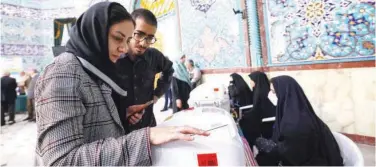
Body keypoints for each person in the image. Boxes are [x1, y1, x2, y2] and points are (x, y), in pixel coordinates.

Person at [34, 2, 208, 166]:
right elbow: (62, 161)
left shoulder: (97, 70)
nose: (124, 48)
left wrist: (123, 115)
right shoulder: (62, 72)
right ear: (94, 33)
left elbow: (92, 121)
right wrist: (146, 137)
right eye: (118, 38)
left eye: (126, 40)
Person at [255, 75, 343, 166]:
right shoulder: (291, 112)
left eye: (273, 92)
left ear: (285, 93)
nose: (269, 94)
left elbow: (293, 154)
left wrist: (269, 147)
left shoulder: (297, 123)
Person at [115, 9, 174, 131]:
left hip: (148, 127)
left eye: (149, 38)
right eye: (139, 34)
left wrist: (157, 94)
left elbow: (169, 70)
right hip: (120, 132)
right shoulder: (114, 57)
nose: (143, 43)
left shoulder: (154, 57)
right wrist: (123, 113)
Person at [239, 71, 276, 148]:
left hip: (265, 117)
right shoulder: (258, 90)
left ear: (256, 80)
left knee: (245, 123)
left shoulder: (261, 92)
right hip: (260, 114)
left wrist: (246, 114)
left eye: (252, 80)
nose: (251, 82)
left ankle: (249, 144)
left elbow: (261, 108)